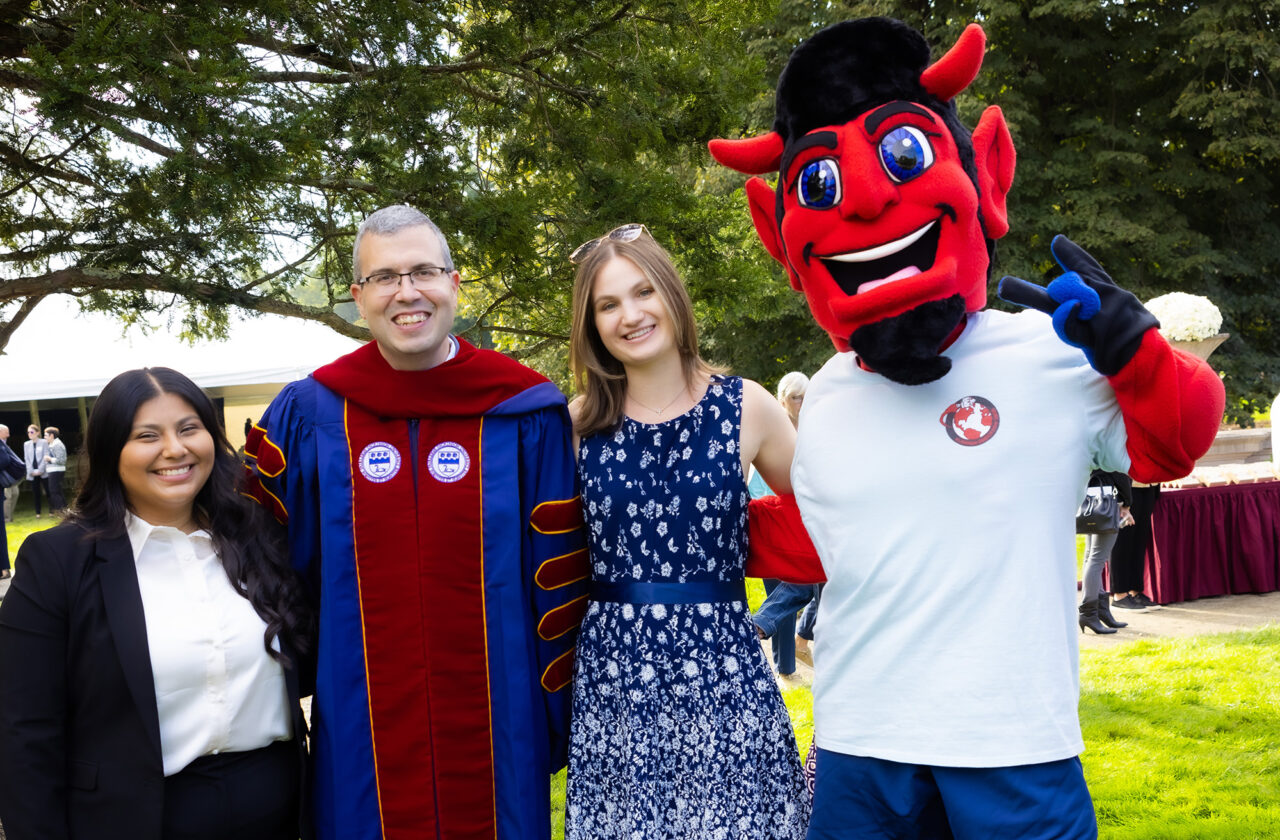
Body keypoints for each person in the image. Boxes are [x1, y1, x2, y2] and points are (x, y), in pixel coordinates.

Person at [711, 17, 1224, 838]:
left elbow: (1176, 442)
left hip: (1011, 740)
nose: (871, 200)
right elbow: (832, 536)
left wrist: (1138, 352)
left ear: (981, 172)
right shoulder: (834, 394)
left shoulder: (1050, 352)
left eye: (904, 156)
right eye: (820, 186)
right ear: (784, 238)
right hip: (861, 743)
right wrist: (685, 532)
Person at [243, 204, 588, 840]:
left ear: (455, 283)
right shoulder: (311, 413)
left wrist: (555, 709)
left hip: (498, 720)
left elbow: (560, 578)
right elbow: (261, 564)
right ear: (357, 297)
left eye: (424, 271)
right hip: (359, 718)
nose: (407, 292)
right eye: (385, 277)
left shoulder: (524, 411)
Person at [563, 224, 810, 838]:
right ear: (591, 324)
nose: (631, 314)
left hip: (723, 671)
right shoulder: (574, 425)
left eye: (643, 291)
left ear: (672, 295)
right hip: (616, 678)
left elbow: (830, 515)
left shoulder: (747, 405)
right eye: (608, 304)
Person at [0, 367, 313, 840]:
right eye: (147, 435)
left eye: (189, 428)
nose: (175, 449)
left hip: (279, 809)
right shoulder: (59, 561)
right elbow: (23, 730)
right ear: (111, 452)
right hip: (134, 816)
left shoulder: (260, 537)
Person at [751, 371, 821, 673]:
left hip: (806, 519)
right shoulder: (772, 427)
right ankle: (784, 664)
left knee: (806, 588)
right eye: (796, 397)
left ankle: (784, 652)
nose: (801, 403)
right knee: (794, 590)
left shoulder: (815, 427)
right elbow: (757, 486)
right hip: (777, 519)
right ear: (783, 399)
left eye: (806, 397)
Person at [1078, 470, 1134, 634]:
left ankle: (1099, 611)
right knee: (1096, 559)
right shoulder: (1108, 444)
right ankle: (1089, 612)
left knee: (1091, 556)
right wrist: (1127, 503)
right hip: (1107, 499)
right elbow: (1119, 472)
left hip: (1089, 496)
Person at [22, 424, 47, 518]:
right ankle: (38, 512)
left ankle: (52, 510)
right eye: (28, 432)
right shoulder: (26, 444)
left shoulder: (44, 442)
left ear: (37, 433)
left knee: (48, 491)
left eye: (31, 432)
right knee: (36, 493)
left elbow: (46, 455)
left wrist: (40, 470)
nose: (29, 434)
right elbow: (26, 459)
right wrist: (31, 471)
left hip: (43, 472)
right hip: (32, 473)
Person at [42, 425, 68, 513]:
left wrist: (49, 459)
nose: (44, 437)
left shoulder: (57, 444)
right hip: (54, 471)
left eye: (45, 435)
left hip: (56, 471)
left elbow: (62, 460)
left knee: (54, 491)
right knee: (58, 491)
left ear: (51, 435)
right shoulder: (53, 444)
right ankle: (65, 511)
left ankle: (60, 511)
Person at [1, 424, 20, 523]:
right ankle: (7, 518)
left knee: (15, 493)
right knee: (7, 497)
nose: (8, 435)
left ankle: (9, 516)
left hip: (11, 476)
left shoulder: (5, 444)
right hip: (3, 477)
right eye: (6, 432)